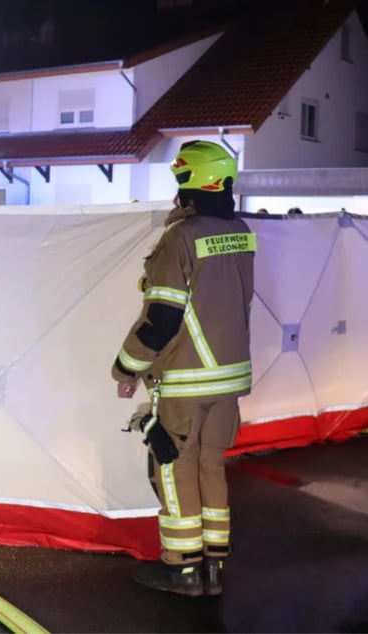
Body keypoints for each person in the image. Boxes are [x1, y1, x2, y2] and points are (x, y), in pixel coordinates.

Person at [111, 140, 255, 598]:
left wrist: (126, 368)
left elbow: (162, 320)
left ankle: (183, 570)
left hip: (185, 382)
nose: (176, 192)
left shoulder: (181, 237)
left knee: (173, 470)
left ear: (191, 183)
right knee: (212, 467)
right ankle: (214, 566)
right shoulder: (241, 232)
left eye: (179, 181)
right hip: (228, 380)